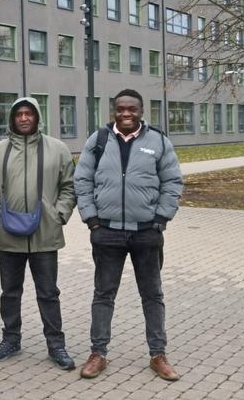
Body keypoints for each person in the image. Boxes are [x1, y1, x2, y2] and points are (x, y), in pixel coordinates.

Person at [74, 89, 184, 382]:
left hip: (146, 233)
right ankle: (98, 353)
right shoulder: (97, 141)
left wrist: (161, 217)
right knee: (103, 294)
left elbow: (172, 181)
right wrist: (92, 219)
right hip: (106, 232)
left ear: (141, 111)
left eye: (131, 109)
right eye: (120, 109)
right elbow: (81, 180)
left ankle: (158, 355)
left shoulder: (158, 141)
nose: (126, 114)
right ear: (114, 111)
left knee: (152, 295)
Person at [0, 97, 77, 370]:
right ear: (12, 118)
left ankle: (56, 345)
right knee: (10, 292)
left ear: (37, 117)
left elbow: (70, 186)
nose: (23, 118)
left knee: (48, 293)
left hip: (46, 236)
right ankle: (10, 340)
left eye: (28, 114)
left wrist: (59, 215)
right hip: (8, 236)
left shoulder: (57, 149)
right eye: (19, 114)